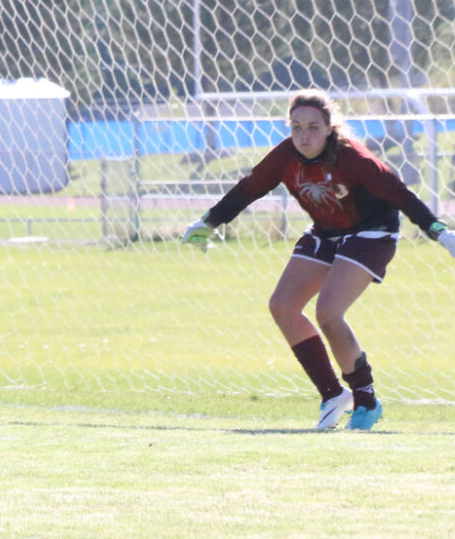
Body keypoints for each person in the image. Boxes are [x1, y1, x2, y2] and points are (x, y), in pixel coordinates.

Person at [181, 89, 455, 431]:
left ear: (329, 128)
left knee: (328, 312)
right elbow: (249, 188)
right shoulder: (285, 156)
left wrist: (440, 232)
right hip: (326, 232)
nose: (304, 135)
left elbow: (398, 192)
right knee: (282, 306)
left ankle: (366, 402)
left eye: (313, 127)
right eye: (296, 127)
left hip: (371, 234)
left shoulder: (352, 157)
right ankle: (332, 394)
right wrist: (208, 221)